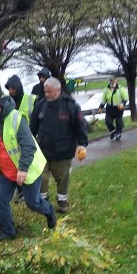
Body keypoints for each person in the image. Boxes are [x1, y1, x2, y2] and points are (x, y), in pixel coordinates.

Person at [0, 95, 56, 241]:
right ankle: (8, 232)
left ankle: (49, 211)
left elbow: (28, 145)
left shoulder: (16, 118)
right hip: (6, 171)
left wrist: (23, 169)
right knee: (0, 200)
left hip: (26, 169)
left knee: (33, 203)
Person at [30, 77, 88, 214]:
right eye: (45, 91)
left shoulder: (71, 106)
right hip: (43, 150)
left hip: (63, 151)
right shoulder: (40, 105)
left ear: (58, 90)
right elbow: (32, 127)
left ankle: (62, 203)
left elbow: (81, 127)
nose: (47, 94)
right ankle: (43, 204)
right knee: (41, 178)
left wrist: (82, 145)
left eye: (50, 92)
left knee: (62, 179)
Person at [98, 76, 129, 141]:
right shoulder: (106, 89)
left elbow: (125, 97)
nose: (112, 82)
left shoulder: (121, 89)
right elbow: (104, 99)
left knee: (118, 122)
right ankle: (114, 131)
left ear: (116, 81)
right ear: (110, 81)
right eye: (111, 81)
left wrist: (122, 103)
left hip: (118, 108)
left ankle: (118, 134)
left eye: (114, 80)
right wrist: (100, 107)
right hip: (110, 108)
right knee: (108, 121)